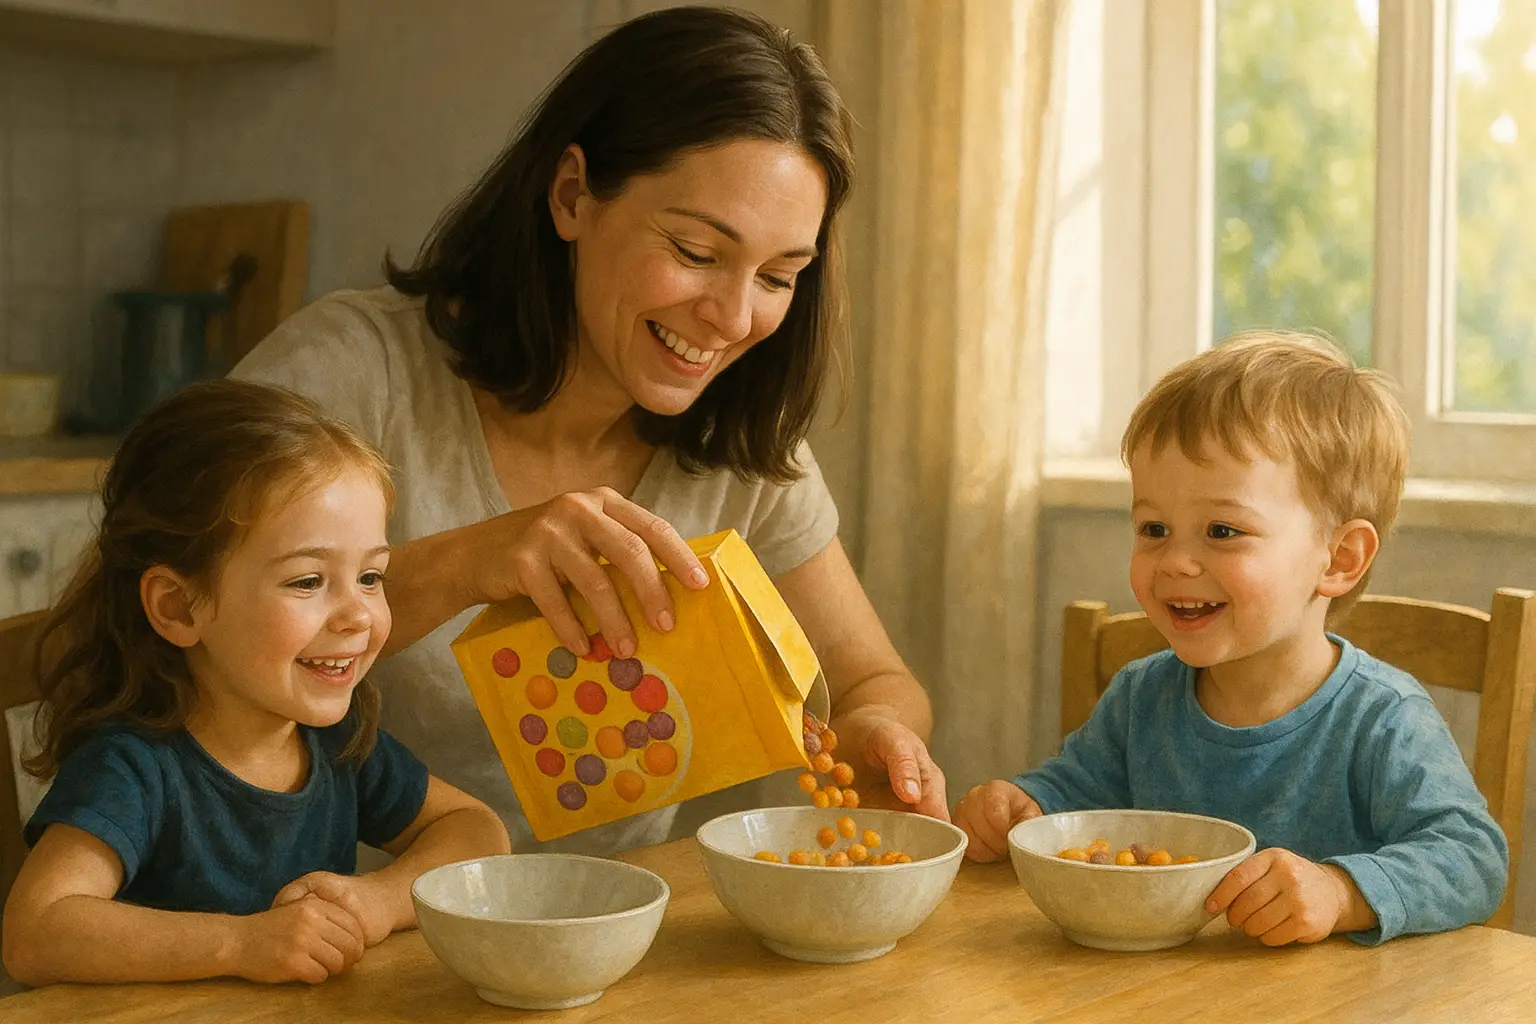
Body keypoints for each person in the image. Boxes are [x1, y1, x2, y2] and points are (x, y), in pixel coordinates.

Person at [231, 6, 947, 852]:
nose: (731, 316)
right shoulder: (352, 376)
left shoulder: (742, 446)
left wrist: (874, 732)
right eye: (694, 250)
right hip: (312, 936)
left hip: (608, 942)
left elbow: (874, 678)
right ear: (572, 195)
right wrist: (469, 563)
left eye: (780, 276)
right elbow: (149, 642)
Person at [954, 332, 1507, 947]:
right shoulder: (1142, 697)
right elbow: (1075, 795)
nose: (1176, 562)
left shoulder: (1383, 719)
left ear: (1339, 558)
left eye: (1222, 529)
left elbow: (1473, 859)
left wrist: (1342, 891)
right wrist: (1022, 806)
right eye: (1154, 527)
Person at [1, 381, 510, 987]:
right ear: (181, 608)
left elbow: (478, 831)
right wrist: (238, 944)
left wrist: (377, 902)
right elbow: (36, 931)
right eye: (307, 581)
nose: (358, 615)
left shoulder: (337, 742)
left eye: (371, 576)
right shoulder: (133, 767)